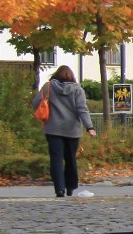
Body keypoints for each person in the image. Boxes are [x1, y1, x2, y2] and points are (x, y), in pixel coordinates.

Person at [34, 65, 96, 198]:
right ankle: (71, 187)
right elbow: (82, 109)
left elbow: (36, 103)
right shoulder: (78, 90)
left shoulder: (48, 87)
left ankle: (59, 189)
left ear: (56, 75)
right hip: (72, 130)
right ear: (72, 76)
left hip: (53, 129)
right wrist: (89, 127)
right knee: (70, 159)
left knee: (56, 159)